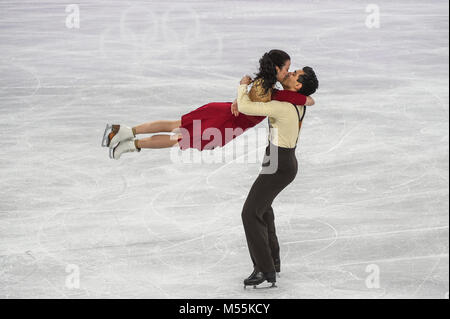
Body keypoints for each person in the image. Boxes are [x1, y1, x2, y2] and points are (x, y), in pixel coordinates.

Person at [101, 50, 314, 159]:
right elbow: (303, 99)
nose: (289, 71)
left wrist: (239, 96)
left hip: (223, 113)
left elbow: (248, 99)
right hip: (226, 121)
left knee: (175, 125)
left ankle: (124, 131)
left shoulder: (264, 84)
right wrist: (306, 98)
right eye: (287, 68)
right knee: (179, 138)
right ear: (277, 68)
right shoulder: (274, 92)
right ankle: (130, 144)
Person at [237, 67, 319, 288]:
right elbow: (306, 99)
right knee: (263, 209)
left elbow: (246, 107)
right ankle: (272, 261)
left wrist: (243, 85)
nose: (289, 73)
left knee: (249, 213)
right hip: (278, 158)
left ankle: (265, 270)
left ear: (298, 85)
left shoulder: (283, 106)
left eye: (293, 74)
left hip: (279, 163)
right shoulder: (297, 100)